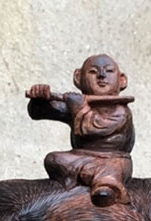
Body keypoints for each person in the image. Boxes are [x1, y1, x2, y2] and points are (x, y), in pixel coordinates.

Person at [27, 53, 134, 207]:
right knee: (54, 159)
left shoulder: (121, 111)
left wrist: (79, 107)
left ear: (122, 80)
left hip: (112, 158)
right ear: (78, 78)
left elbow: (95, 127)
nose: (101, 76)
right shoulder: (77, 104)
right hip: (81, 156)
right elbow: (41, 112)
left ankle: (107, 186)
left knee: (112, 169)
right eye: (93, 72)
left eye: (109, 71)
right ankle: (87, 175)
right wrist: (39, 99)